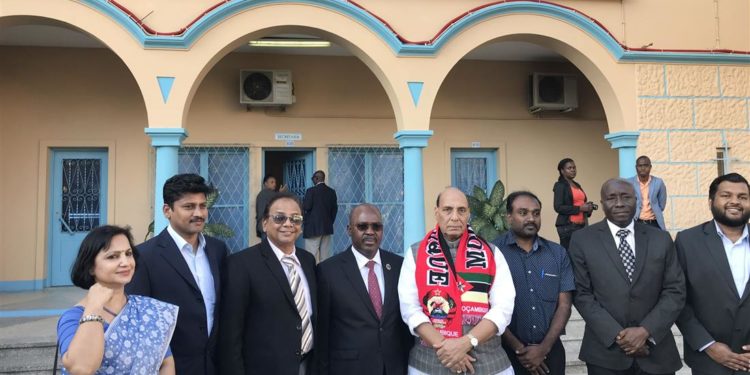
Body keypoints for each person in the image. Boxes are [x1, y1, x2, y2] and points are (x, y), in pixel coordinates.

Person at [568, 179, 686, 375]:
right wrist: (619, 336)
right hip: (605, 353)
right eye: (611, 198)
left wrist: (645, 331)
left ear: (637, 200)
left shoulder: (661, 239)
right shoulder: (582, 240)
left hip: (656, 352)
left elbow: (675, 290)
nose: (619, 203)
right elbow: (582, 294)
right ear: (602, 203)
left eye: (626, 197)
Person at [398, 187, 515, 375]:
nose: (455, 217)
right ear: (436, 212)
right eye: (447, 209)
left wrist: (466, 342)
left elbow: (503, 308)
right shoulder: (416, 253)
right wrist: (448, 349)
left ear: (468, 213)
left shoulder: (491, 253)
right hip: (429, 364)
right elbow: (410, 309)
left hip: (488, 364)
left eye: (461, 210)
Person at [126, 173, 229, 375]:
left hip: (215, 365)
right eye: (189, 207)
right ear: (167, 210)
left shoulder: (218, 250)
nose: (199, 213)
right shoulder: (144, 257)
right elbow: (137, 323)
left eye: (202, 206)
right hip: (171, 368)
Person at [57, 225, 178, 374]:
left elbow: (165, 363)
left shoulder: (149, 309)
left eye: (128, 254)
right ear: (90, 267)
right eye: (112, 256)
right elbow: (81, 369)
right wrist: (94, 306)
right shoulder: (73, 318)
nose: (125, 262)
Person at [219, 192, 317, 375]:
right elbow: (230, 335)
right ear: (264, 223)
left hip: (307, 364)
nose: (288, 224)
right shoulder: (241, 264)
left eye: (295, 218)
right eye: (279, 218)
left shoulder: (308, 261)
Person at [317, 204, 412, 375]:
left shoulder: (399, 266)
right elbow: (322, 333)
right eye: (362, 226)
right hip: (349, 368)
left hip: (393, 367)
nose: (370, 231)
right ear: (349, 229)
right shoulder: (328, 271)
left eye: (376, 226)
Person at [675, 172, 750, 375]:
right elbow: (677, 298)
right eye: (726, 195)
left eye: (743, 197)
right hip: (709, 361)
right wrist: (707, 345)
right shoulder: (687, 241)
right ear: (710, 202)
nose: (735, 201)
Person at [492, 191, 574, 375]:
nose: (531, 218)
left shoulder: (558, 254)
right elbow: (488, 306)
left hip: (550, 353)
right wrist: (519, 349)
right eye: (523, 213)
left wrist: (543, 348)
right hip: (505, 353)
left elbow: (565, 305)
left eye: (536, 213)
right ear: (509, 217)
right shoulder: (493, 253)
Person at [553, 158, 596, 249]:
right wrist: (580, 208)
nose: (573, 170)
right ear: (562, 171)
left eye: (574, 167)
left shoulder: (577, 185)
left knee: (582, 254)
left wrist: (588, 208)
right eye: (569, 168)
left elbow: (580, 203)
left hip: (582, 225)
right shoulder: (560, 186)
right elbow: (558, 207)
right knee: (570, 255)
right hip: (568, 227)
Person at [303, 170, 338, 261]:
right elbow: (334, 210)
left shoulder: (311, 191)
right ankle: (324, 274)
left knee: (311, 255)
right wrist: (330, 222)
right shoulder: (331, 192)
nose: (312, 180)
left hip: (313, 229)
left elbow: (306, 207)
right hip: (327, 228)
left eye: (313, 178)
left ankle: (312, 274)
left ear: (317, 178)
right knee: (325, 256)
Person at [627, 156, 668, 230]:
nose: (643, 168)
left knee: (657, 241)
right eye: (640, 166)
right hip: (636, 222)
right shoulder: (628, 183)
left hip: (654, 223)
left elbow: (662, 205)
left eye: (646, 165)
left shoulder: (658, 182)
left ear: (650, 167)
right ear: (636, 167)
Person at [255, 174, 286, 238]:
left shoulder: (264, 194)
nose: (274, 184)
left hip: (265, 225)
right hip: (267, 225)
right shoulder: (265, 194)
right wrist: (281, 193)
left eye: (275, 182)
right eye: (272, 182)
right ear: (266, 183)